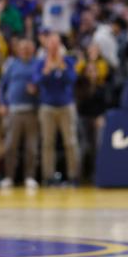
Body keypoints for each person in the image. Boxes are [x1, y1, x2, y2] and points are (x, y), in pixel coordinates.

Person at [34, 32, 79, 186]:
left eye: (56, 43)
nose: (53, 47)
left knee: (70, 142)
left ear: (60, 45)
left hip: (66, 106)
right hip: (47, 107)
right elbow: (37, 81)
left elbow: (72, 80)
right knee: (48, 143)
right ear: (47, 46)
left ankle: (73, 176)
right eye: (50, 43)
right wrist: (47, 70)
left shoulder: (67, 61)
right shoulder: (41, 62)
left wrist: (62, 67)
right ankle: (48, 177)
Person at [0, 38, 40, 189]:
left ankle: (30, 177)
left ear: (33, 49)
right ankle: (9, 177)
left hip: (32, 110)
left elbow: (42, 85)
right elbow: (2, 87)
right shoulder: (12, 65)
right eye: (22, 47)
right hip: (14, 111)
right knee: (10, 146)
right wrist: (3, 104)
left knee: (32, 147)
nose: (25, 50)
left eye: (28, 47)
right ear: (18, 49)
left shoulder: (37, 65)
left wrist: (37, 91)